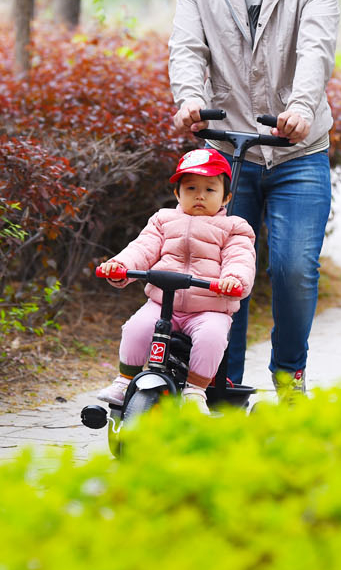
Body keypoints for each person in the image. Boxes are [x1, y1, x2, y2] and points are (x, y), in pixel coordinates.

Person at [167, 0, 340, 398]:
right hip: (226, 157)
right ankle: (225, 383)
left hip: (296, 151)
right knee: (221, 275)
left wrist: (303, 107)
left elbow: (317, 49)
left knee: (292, 268)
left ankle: (290, 374)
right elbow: (186, 49)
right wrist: (190, 99)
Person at [94, 149, 256, 415]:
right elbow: (142, 248)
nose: (200, 195)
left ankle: (195, 390)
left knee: (212, 336)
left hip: (208, 309)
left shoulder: (234, 228)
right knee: (136, 327)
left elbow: (240, 259)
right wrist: (121, 266)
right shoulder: (163, 220)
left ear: (226, 197)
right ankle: (125, 381)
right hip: (162, 304)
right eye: (191, 187)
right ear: (178, 194)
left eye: (210, 189)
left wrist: (233, 280)